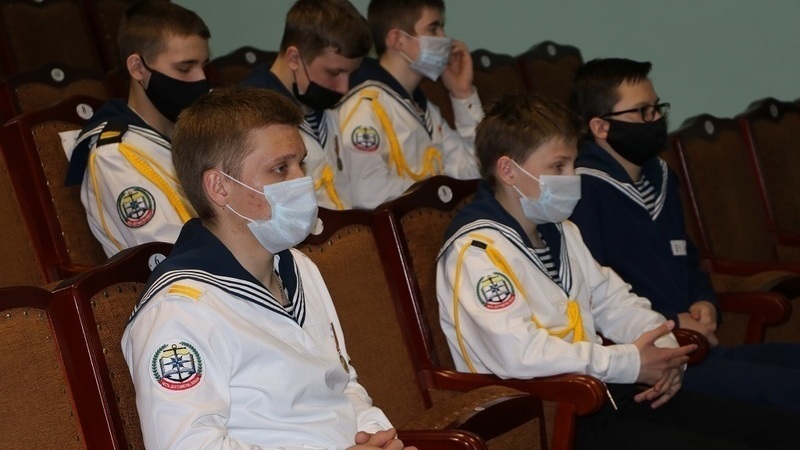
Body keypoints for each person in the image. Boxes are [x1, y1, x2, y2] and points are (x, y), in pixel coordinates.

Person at [436, 92, 800, 450]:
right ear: (508, 171)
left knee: (782, 429)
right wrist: (629, 363)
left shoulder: (561, 231)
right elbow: (522, 354)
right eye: (558, 166)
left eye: (573, 164)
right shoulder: (477, 252)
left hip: (606, 395)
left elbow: (615, 301)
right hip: (546, 416)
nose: (572, 176)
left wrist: (666, 353)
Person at [121, 86, 413, 450]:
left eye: (301, 163)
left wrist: (377, 437)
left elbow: (343, 385)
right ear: (219, 187)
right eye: (280, 168)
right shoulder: (180, 309)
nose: (301, 181)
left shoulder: (298, 265)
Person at [568, 57, 800, 412]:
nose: (656, 119)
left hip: (698, 347)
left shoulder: (659, 176)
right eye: (643, 112)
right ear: (601, 126)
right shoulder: (584, 191)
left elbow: (689, 260)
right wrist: (672, 320)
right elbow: (591, 296)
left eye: (657, 108)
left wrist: (705, 303)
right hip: (653, 362)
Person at [65, 1, 209, 257]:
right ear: (137, 68)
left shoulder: (196, 132)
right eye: (185, 68)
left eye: (203, 65)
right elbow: (172, 252)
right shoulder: (114, 155)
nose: (201, 79)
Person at [336, 0, 481, 209]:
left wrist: (462, 94)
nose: (445, 38)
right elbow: (369, 192)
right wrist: (439, 193)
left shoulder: (425, 108)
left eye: (442, 28)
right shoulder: (365, 105)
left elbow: (474, 172)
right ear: (397, 39)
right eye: (433, 28)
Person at [241, 0, 371, 210]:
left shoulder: (318, 99)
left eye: (351, 74)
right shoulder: (249, 114)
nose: (344, 88)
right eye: (334, 73)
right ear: (294, 58)